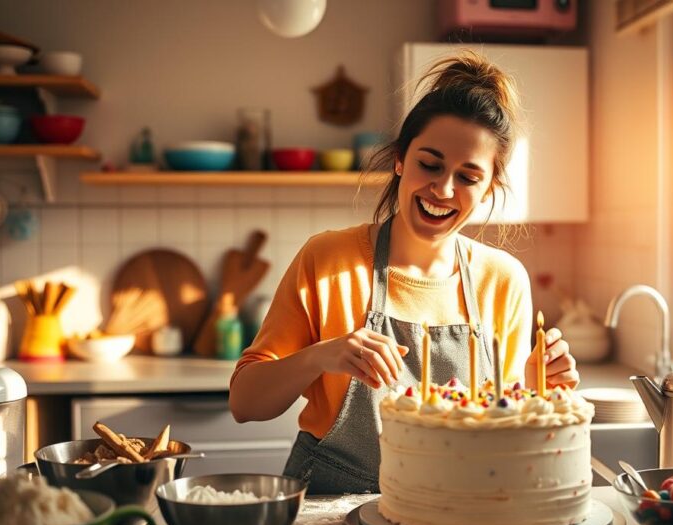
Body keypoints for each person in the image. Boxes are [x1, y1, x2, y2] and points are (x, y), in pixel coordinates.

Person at [228, 52, 579, 494]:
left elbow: (504, 437)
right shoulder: (328, 261)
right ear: (399, 160)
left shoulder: (504, 280)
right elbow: (244, 402)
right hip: (331, 504)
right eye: (430, 165)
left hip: (459, 508)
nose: (444, 189)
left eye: (468, 177)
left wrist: (539, 390)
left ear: (489, 186)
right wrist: (322, 355)